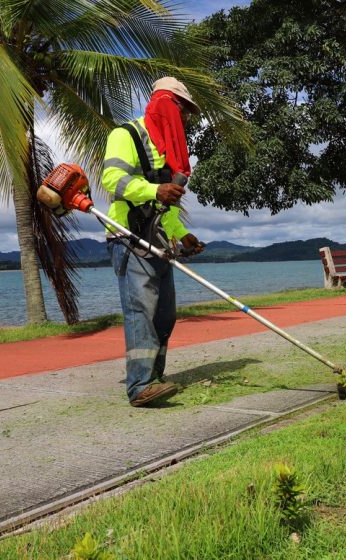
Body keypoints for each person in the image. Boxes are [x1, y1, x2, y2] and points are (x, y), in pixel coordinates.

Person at [101, 77, 206, 407]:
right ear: (163, 105)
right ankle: (140, 385)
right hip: (129, 238)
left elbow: (166, 207)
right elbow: (112, 179)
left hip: (159, 240)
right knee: (141, 311)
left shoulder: (171, 152)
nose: (185, 118)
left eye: (187, 113)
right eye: (181, 109)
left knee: (165, 314)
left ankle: (155, 376)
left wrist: (182, 235)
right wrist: (152, 190)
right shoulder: (126, 135)